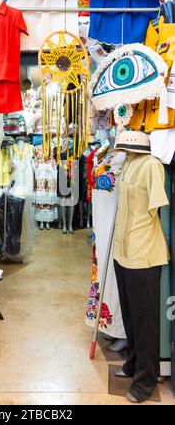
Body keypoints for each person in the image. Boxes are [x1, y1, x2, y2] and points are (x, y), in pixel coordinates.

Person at [113, 130, 169, 403]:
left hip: (143, 252)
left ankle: (145, 382)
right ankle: (133, 363)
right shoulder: (126, 163)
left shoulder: (152, 165)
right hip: (122, 251)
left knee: (145, 319)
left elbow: (154, 208)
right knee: (131, 316)